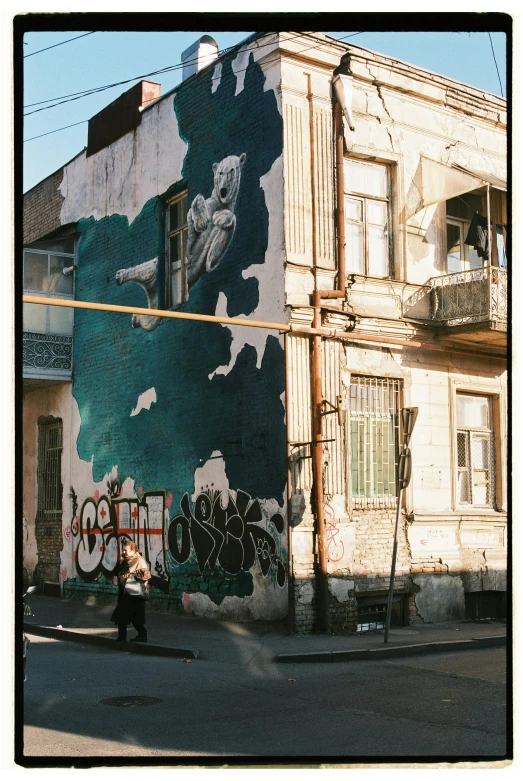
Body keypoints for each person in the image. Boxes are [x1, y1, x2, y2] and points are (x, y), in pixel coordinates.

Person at [111, 540, 151, 644]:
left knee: (122, 616)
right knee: (134, 617)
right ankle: (141, 636)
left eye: (126, 550)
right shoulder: (125, 560)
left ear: (133, 550)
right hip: (126, 593)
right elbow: (116, 572)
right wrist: (120, 561)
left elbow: (145, 576)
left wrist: (130, 575)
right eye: (123, 550)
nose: (123, 552)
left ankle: (122, 638)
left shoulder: (138, 560)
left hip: (134, 594)